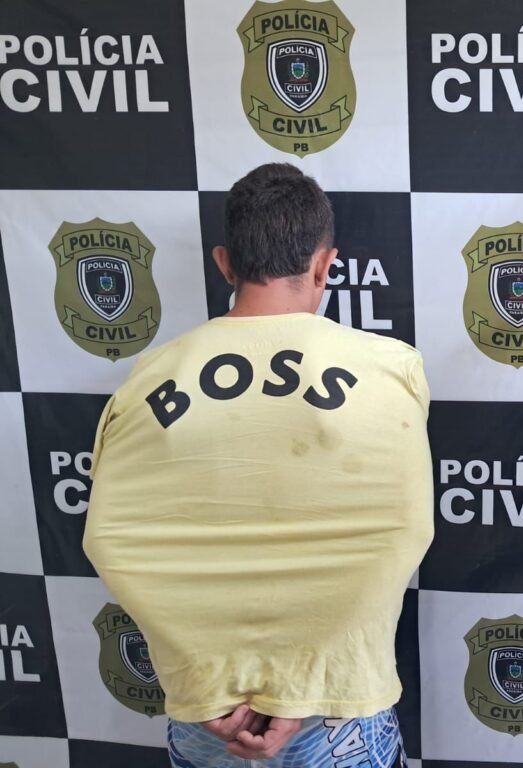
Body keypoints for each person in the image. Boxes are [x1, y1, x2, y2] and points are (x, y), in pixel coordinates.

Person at [84, 163, 433, 767]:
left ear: (225, 264)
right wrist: (299, 687)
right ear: (325, 265)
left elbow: (109, 541)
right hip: (337, 709)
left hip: (209, 716)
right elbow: (401, 533)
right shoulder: (390, 369)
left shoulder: (148, 376)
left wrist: (206, 681)